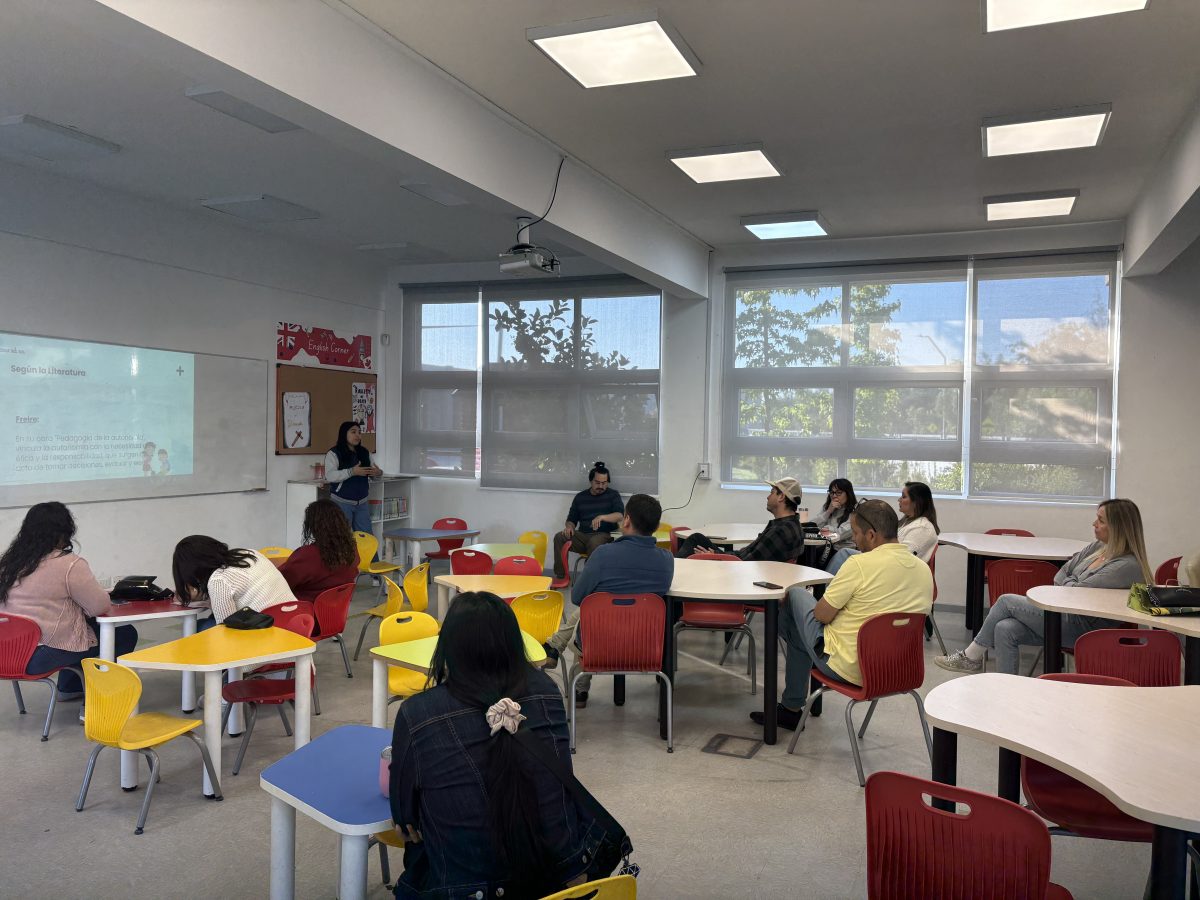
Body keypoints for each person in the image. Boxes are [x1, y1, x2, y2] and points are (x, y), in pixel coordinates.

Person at [389, 591, 614, 899]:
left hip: (468, 890)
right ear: (513, 642)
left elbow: (405, 819)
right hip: (563, 878)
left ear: (448, 647)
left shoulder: (418, 713)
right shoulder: (546, 691)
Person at [753, 499, 932, 730]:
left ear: (871, 535)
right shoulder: (923, 570)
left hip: (850, 667)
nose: (854, 540)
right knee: (800, 626)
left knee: (797, 595)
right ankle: (790, 704)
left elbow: (822, 616)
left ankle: (790, 707)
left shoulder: (859, 564)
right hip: (898, 671)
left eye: (856, 533)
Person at [935, 498, 1152, 676]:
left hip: (1086, 627)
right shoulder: (1098, 547)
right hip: (1064, 613)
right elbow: (1061, 573)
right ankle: (1004, 689)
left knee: (1005, 601)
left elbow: (1076, 591)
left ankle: (971, 657)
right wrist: (1072, 582)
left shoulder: (1126, 565)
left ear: (1118, 527)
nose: (1094, 523)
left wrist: (1071, 583)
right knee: (1004, 628)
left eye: (1101, 520)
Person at [546, 493, 674, 707]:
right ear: (657, 525)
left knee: (592, 609)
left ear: (626, 520)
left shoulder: (603, 554)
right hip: (647, 647)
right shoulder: (666, 560)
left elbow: (577, 597)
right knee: (597, 608)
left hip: (599, 645)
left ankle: (574, 678)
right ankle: (554, 647)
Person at [0, 502, 137, 700]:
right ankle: (102, 699)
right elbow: (99, 606)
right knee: (124, 633)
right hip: (38, 658)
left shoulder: (8, 563)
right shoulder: (70, 564)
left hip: (6, 654)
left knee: (76, 630)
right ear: (65, 531)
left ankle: (70, 687)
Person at [675, 477, 807, 562]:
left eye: (772, 492)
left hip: (742, 576)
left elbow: (747, 563)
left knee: (694, 543)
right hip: (741, 566)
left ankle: (669, 579)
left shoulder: (780, 531)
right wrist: (714, 553)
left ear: (781, 497)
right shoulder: (790, 525)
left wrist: (716, 557)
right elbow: (748, 552)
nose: (768, 497)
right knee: (697, 539)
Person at [172, 535, 296, 626]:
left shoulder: (219, 579)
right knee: (209, 619)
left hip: (268, 634)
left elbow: (224, 628)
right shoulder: (250, 553)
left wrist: (198, 596)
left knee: (201, 627)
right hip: (297, 625)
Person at [825, 480, 940, 575]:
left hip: (892, 568)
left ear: (916, 502)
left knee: (844, 554)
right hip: (885, 560)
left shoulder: (922, 528)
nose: (899, 500)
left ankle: (824, 593)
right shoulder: (906, 522)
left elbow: (902, 558)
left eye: (903, 497)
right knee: (844, 555)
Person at [551, 461, 624, 580]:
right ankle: (561, 577)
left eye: (604, 483)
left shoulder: (613, 495)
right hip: (584, 536)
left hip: (605, 536)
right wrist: (569, 527)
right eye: (597, 482)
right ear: (591, 481)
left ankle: (589, 579)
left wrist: (602, 517)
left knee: (594, 542)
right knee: (559, 537)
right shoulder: (580, 497)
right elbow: (571, 520)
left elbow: (620, 515)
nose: (601, 486)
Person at [279, 499, 360, 602]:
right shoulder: (351, 548)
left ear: (313, 526)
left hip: (305, 612)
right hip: (336, 611)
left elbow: (281, 581)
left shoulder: (308, 555)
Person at [324, 420, 382, 546]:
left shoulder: (364, 452)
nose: (358, 436)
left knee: (367, 539)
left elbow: (373, 474)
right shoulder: (334, 453)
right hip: (341, 502)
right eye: (353, 432)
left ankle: (370, 565)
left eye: (360, 433)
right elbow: (330, 476)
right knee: (341, 538)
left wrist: (377, 473)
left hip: (362, 502)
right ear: (344, 434)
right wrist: (352, 472)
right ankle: (342, 566)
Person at [811, 478, 858, 551]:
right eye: (831, 492)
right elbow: (812, 526)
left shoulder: (855, 511)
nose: (834, 496)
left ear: (848, 494)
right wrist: (828, 512)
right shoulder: (828, 507)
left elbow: (840, 535)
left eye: (838, 492)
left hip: (843, 550)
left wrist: (827, 528)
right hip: (826, 547)